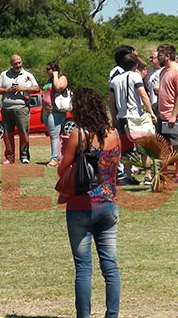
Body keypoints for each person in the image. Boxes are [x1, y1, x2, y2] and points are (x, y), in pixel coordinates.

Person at [56, 88, 121, 318]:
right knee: (110, 266)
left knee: (83, 268)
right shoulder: (114, 133)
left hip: (81, 205)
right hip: (109, 203)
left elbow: (62, 169)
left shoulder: (79, 134)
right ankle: (111, 315)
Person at [0, 54, 40, 164]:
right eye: (15, 63)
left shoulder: (27, 75)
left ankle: (24, 156)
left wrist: (22, 88)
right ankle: (9, 158)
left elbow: (37, 88)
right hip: (7, 108)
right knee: (8, 134)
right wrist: (7, 90)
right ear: (11, 64)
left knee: (23, 133)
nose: (18, 65)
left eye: (19, 62)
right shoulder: (4, 74)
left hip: (22, 108)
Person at [108, 53, 156, 156]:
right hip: (135, 116)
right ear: (135, 65)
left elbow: (110, 100)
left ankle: (128, 167)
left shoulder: (115, 80)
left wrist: (113, 117)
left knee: (125, 149)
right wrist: (151, 112)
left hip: (121, 116)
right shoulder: (135, 76)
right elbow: (143, 95)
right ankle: (145, 167)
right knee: (143, 148)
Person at [156, 43, 178, 183]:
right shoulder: (163, 71)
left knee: (176, 144)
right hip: (162, 115)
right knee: (162, 145)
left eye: (160, 55)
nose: (157, 58)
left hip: (174, 116)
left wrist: (173, 116)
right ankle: (163, 174)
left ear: (168, 56)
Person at [41, 61, 70, 167]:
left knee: (55, 134)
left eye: (49, 69)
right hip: (47, 111)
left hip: (56, 111)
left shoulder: (62, 78)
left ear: (55, 69)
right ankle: (59, 157)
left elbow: (59, 87)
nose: (47, 71)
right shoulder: (49, 80)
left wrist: (55, 75)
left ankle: (55, 159)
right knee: (53, 135)